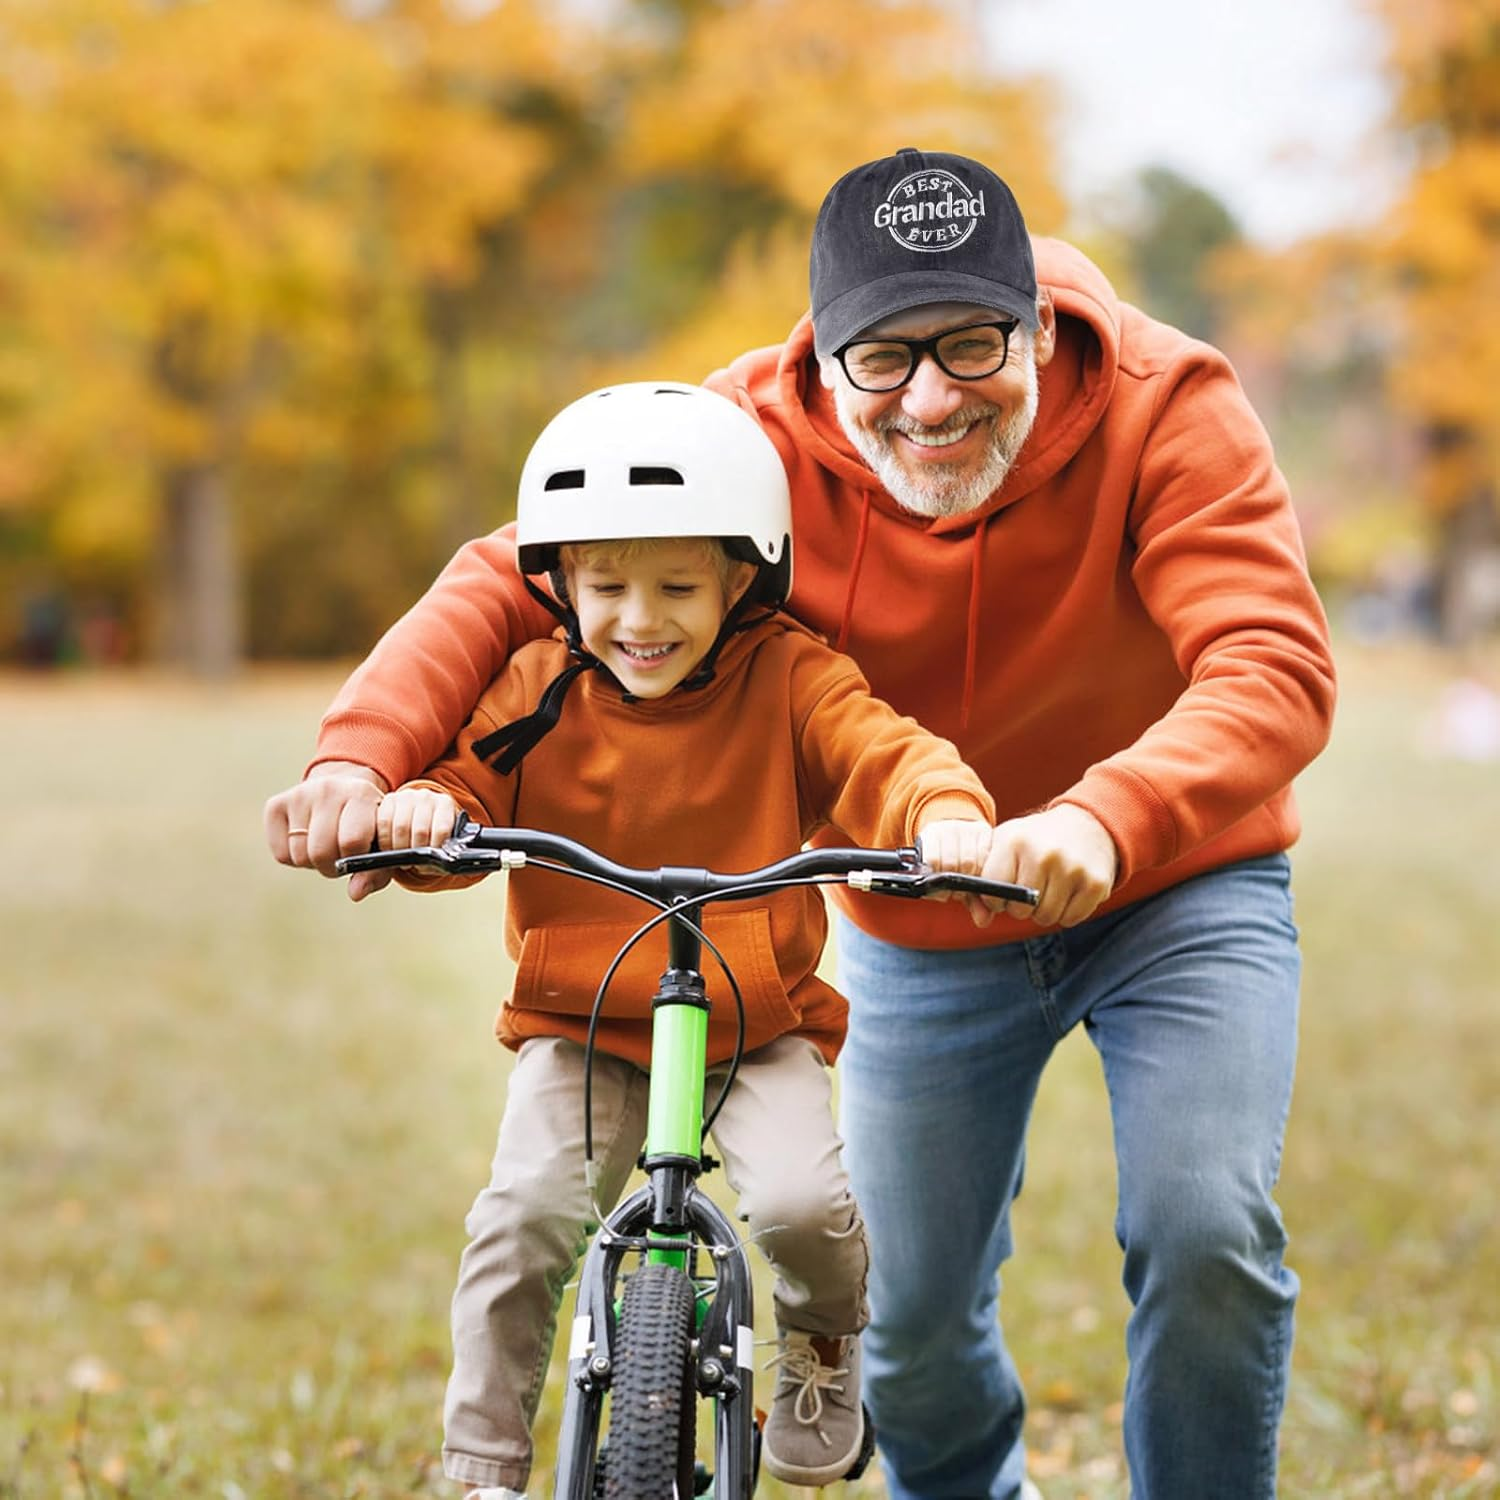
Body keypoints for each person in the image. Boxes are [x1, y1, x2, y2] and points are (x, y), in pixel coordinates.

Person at [266, 149, 1337, 1500]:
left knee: (1204, 1227)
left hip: (1174, 883)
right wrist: (362, 759)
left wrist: (1104, 819)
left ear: (1036, 327)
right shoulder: (742, 437)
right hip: (922, 910)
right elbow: (511, 580)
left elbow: (1270, 664)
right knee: (909, 1320)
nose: (931, 399)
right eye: (882, 358)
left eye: (972, 344)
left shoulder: (1166, 402)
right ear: (823, 357)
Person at [324, 379, 1000, 1499]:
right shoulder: (537, 686)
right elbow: (465, 784)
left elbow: (883, 751)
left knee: (805, 1209)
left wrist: (944, 813)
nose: (640, 621)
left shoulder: (792, 675)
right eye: (606, 586)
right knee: (522, 1219)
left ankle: (822, 1350)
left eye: (679, 586)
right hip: (581, 1021)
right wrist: (428, 815)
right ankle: (483, 1464)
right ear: (559, 583)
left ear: (742, 577)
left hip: (753, 1023)